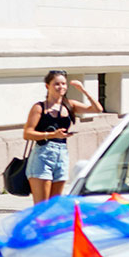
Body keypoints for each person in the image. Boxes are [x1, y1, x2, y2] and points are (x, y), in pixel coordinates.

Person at [22, 70, 102, 202]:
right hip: (42, 155)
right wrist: (52, 134)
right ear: (48, 86)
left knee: (55, 204)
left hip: (62, 154)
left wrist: (83, 90)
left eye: (64, 84)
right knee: (42, 206)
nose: (61, 87)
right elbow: (27, 133)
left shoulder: (70, 105)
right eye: (57, 84)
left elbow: (97, 109)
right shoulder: (39, 107)